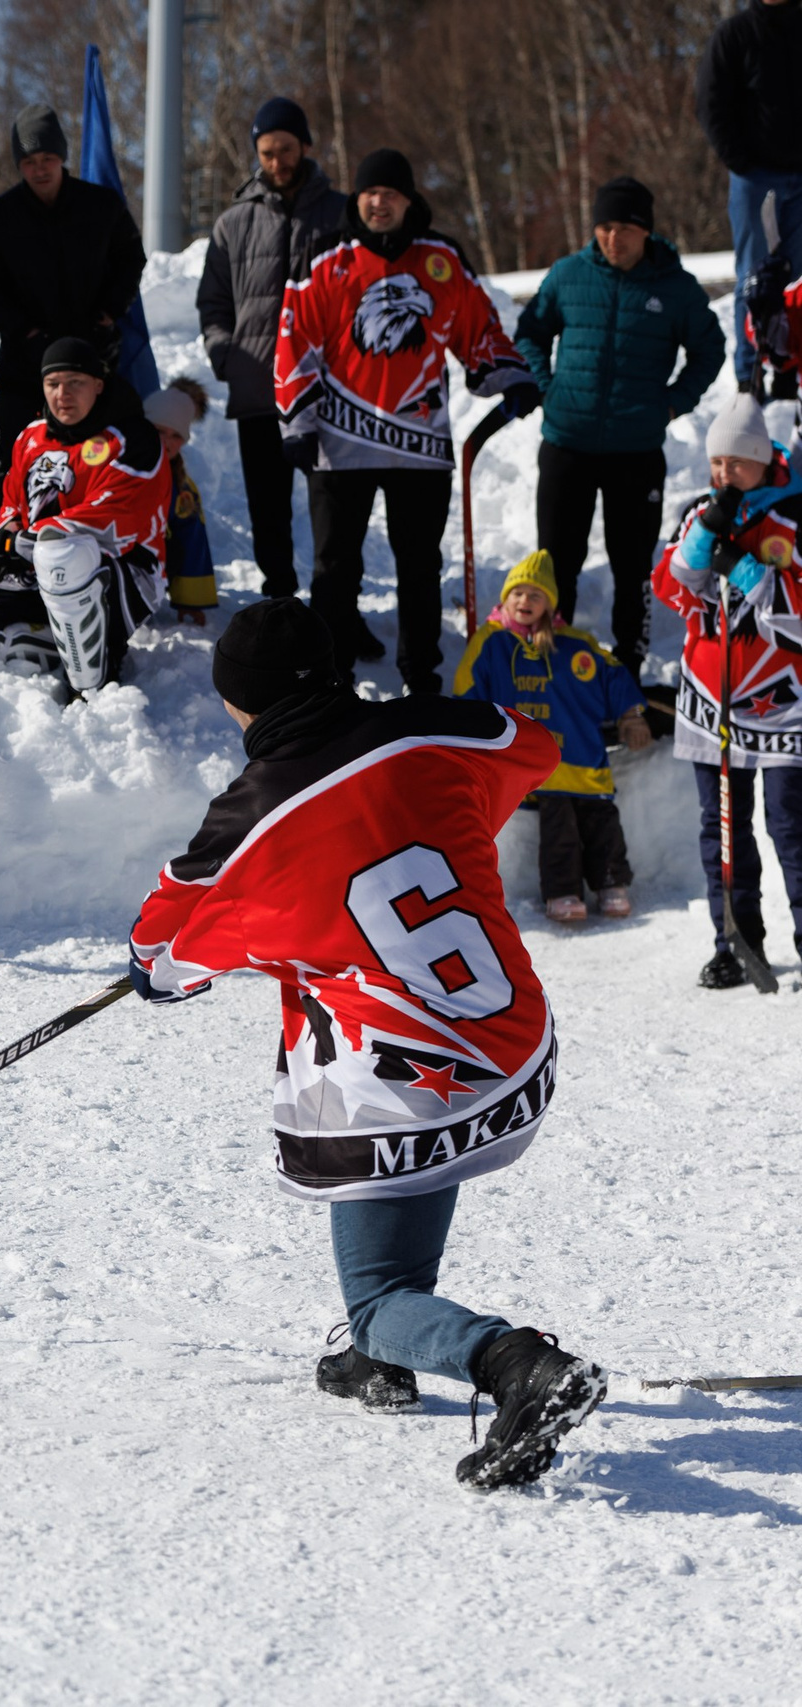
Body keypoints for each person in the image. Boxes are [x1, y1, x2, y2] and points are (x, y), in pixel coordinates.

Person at [130, 597, 605, 1490]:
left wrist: (188, 960)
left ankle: (514, 1366)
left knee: (379, 1295)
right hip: (516, 1053)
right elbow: (532, 747)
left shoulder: (249, 814)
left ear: (245, 703)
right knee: (406, 1183)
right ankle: (380, 1361)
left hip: (408, 1090)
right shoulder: (436, 727)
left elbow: (159, 958)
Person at [274, 148, 538, 694]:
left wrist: (509, 376)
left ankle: (423, 681)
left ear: (408, 201)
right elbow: (294, 337)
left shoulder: (441, 259)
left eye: (391, 194)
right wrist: (297, 420)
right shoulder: (325, 258)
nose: (379, 203)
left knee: (419, 569)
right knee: (335, 571)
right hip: (340, 443)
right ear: (358, 198)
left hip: (419, 446)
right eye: (371, 193)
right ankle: (330, 679)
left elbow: (477, 328)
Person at [513, 176, 723, 674]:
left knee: (631, 566)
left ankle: (629, 660)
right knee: (557, 558)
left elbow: (709, 350)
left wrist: (672, 404)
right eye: (604, 228)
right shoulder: (568, 275)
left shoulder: (676, 289)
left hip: (636, 449)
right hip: (568, 443)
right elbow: (530, 333)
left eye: (625, 229)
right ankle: (549, 657)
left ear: (645, 232)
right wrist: (547, 388)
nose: (613, 239)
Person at [650, 395, 802, 988]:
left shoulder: (792, 517)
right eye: (717, 462)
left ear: (763, 462)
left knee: (791, 827)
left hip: (781, 700)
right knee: (723, 829)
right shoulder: (702, 511)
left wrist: (751, 573)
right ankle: (734, 942)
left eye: (736, 463)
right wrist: (700, 542)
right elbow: (671, 587)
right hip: (710, 703)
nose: (724, 474)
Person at [194, 96, 347, 598]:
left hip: (330, 393)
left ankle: (337, 606)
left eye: (285, 149)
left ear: (305, 145)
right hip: (261, 387)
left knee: (336, 508)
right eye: (266, 153)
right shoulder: (234, 223)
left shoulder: (342, 214)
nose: (277, 162)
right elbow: (213, 304)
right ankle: (279, 598)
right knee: (267, 506)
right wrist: (227, 357)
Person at [0, 339, 170, 697]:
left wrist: (24, 539)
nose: (62, 394)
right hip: (38, 564)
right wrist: (6, 532)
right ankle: (45, 639)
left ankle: (91, 679)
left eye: (75, 382)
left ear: (98, 385)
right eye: (53, 384)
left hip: (127, 569)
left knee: (62, 552)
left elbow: (116, 515)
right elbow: (13, 498)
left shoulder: (133, 438)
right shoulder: (31, 437)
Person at [452, 551, 652, 924]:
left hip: (584, 757)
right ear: (505, 598)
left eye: (536, 595)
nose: (525, 601)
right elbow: (467, 688)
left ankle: (611, 882)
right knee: (559, 826)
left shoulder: (575, 644)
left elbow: (614, 675)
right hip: (539, 764)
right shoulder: (491, 642)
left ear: (550, 604)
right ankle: (562, 892)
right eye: (518, 593)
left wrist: (631, 716)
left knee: (603, 821)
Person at [0, 103, 145, 490]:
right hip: (24, 364)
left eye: (47, 158)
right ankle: (9, 541)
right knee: (17, 456)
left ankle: (95, 535)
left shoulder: (102, 206)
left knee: (100, 457)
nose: (39, 169)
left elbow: (130, 259)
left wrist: (110, 312)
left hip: (94, 358)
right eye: (29, 161)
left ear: (62, 157)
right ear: (18, 165)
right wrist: (22, 330)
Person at [698, 0, 802, 393]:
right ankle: (749, 374)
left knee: (797, 281)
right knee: (754, 276)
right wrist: (740, 161)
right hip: (756, 176)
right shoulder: (735, 34)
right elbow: (710, 101)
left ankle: (789, 367)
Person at [143, 382, 218, 624]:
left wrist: (191, 601)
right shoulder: (113, 467)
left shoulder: (182, 488)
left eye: (176, 435)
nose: (167, 442)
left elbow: (192, 541)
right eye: (158, 431)